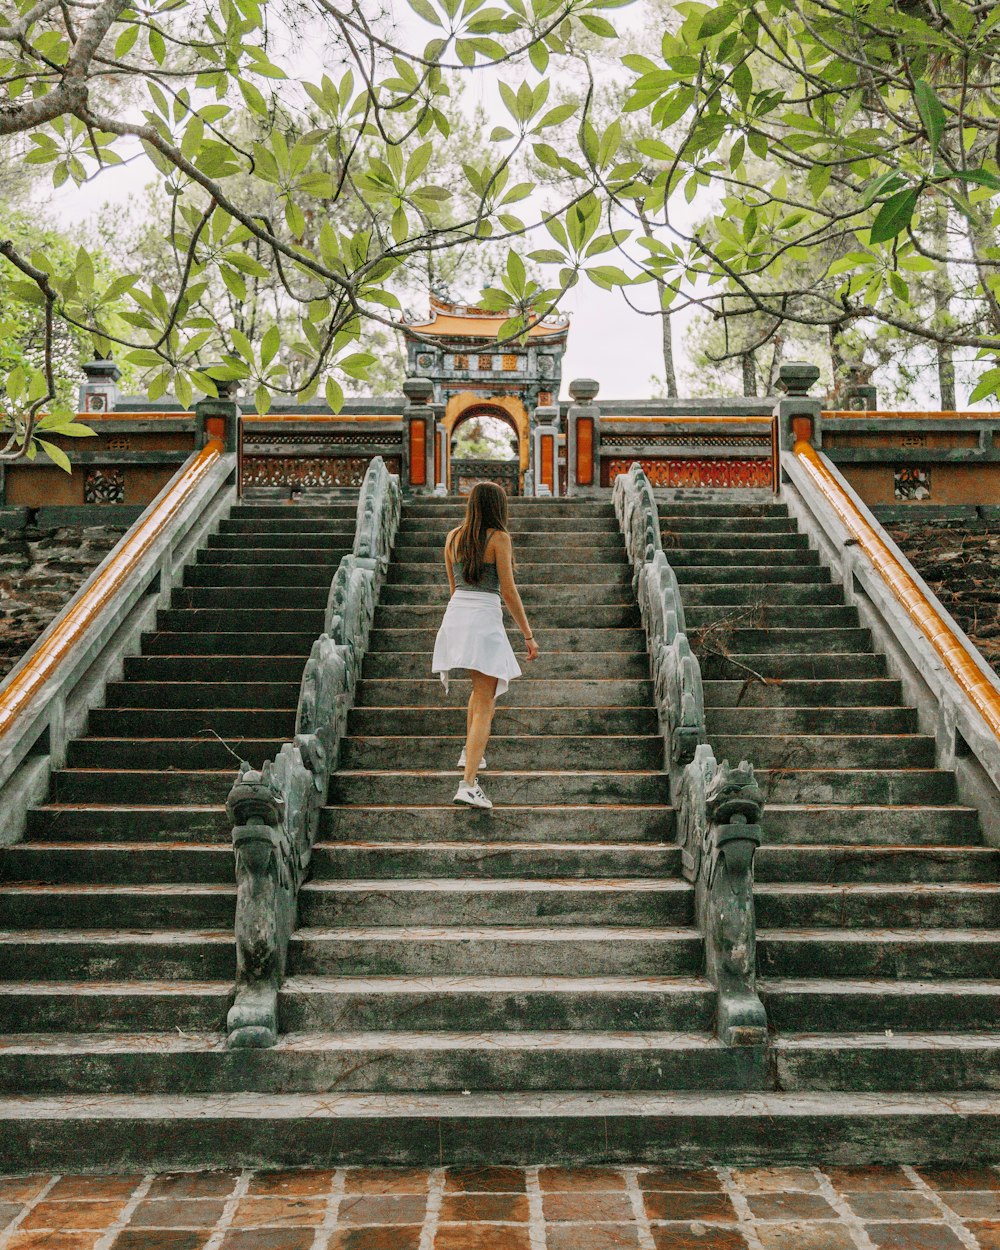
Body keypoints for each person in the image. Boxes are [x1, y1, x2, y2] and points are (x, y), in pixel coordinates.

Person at [432, 481, 540, 809]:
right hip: (483, 617)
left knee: (479, 693)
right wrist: (528, 635)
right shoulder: (499, 538)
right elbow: (507, 590)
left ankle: (471, 754)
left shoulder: (453, 537)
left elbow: (454, 588)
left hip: (456, 616)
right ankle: (467, 784)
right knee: (485, 702)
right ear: (498, 507)